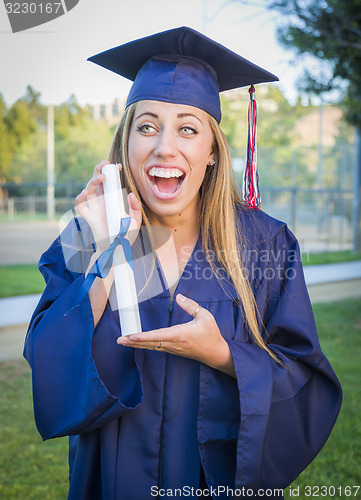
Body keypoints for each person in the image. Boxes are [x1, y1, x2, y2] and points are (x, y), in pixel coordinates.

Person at [24, 27, 342, 500]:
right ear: (125, 142)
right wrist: (108, 252)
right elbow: (48, 362)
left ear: (212, 151)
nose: (164, 148)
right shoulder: (86, 234)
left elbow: (307, 384)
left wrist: (222, 353)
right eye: (147, 126)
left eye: (188, 129)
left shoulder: (264, 243)